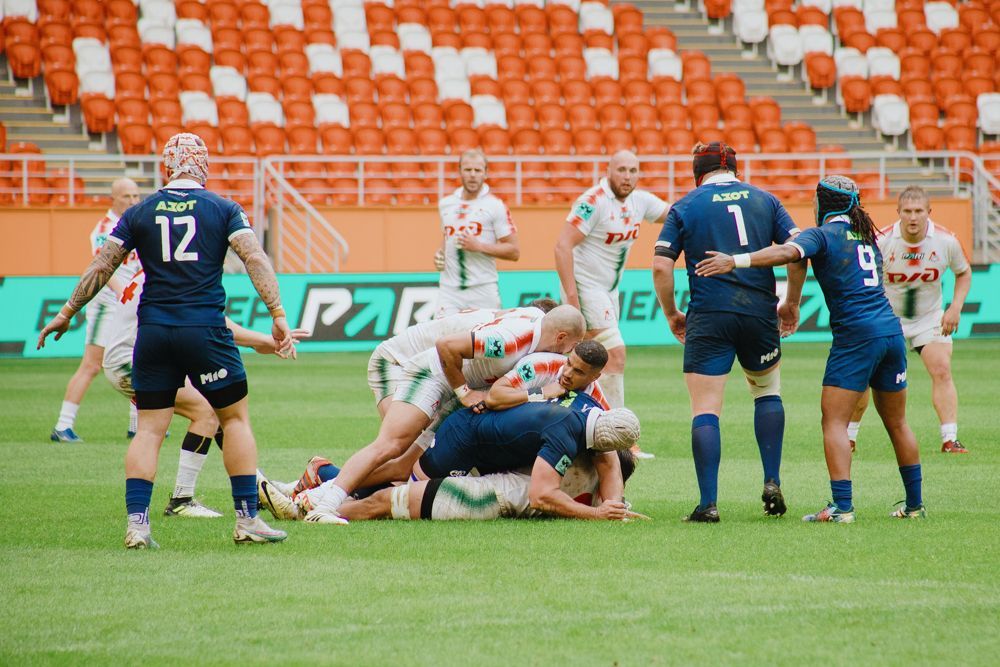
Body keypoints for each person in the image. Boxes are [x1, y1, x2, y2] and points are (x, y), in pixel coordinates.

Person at [38, 132, 293, 548]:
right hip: (205, 329)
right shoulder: (224, 208)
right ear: (203, 165)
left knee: (149, 430)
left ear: (166, 167)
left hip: (153, 331)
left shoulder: (139, 212)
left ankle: (138, 525)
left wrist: (67, 313)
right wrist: (277, 315)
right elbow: (254, 258)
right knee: (234, 419)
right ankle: (247, 519)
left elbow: (102, 265)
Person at [695, 175, 925, 523]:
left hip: (856, 336)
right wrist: (793, 301)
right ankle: (915, 506)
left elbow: (788, 252)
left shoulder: (821, 234)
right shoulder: (866, 236)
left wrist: (735, 261)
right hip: (890, 332)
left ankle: (842, 507)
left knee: (833, 421)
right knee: (898, 422)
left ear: (821, 204)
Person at [259, 339, 614, 517]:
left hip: (487, 441)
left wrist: (615, 499)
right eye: (569, 364)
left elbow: (608, 445)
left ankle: (320, 479)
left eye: (578, 372)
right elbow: (495, 396)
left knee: (402, 473)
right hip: (458, 412)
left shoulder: (595, 397)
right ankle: (323, 486)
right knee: (403, 472)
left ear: (595, 376)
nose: (568, 373)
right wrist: (540, 394)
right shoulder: (542, 366)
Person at [301, 305, 586, 523]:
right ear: (561, 337)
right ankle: (325, 505)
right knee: (393, 445)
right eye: (572, 347)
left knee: (405, 465)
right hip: (432, 375)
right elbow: (446, 346)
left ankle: (316, 494)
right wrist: (464, 392)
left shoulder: (535, 319)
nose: (569, 355)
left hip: (453, 384)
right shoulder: (510, 341)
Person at [652, 142, 800, 523]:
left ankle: (709, 504)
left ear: (697, 173)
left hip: (709, 314)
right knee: (767, 392)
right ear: (735, 169)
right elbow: (798, 253)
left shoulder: (685, 206)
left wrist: (671, 313)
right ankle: (772, 480)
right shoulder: (766, 200)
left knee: (705, 408)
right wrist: (791, 303)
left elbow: (661, 267)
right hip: (759, 312)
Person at [102, 269, 310, 517]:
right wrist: (263, 341)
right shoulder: (181, 274)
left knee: (217, 409)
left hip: (142, 354)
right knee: (205, 412)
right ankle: (182, 500)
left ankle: (254, 486)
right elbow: (214, 322)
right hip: (131, 359)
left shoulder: (161, 267)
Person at [555, 150, 669, 458]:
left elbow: (676, 215)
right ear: (608, 171)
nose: (627, 176)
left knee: (582, 362)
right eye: (621, 170)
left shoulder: (640, 201)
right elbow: (562, 246)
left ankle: (580, 428)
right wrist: (572, 299)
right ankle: (619, 440)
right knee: (615, 355)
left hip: (609, 291)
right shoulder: (593, 202)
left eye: (633, 170)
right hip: (586, 288)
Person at [847, 186, 972, 454]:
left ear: (929, 212)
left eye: (918, 211)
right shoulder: (881, 241)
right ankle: (849, 437)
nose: (913, 217)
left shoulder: (946, 241)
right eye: (907, 211)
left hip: (929, 317)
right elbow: (862, 277)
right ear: (898, 212)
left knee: (942, 369)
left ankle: (950, 439)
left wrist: (955, 307)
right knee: (863, 374)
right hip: (886, 317)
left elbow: (963, 272)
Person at [50, 178, 142, 442]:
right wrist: (123, 293)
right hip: (108, 303)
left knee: (140, 359)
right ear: (113, 199)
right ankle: (63, 425)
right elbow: (104, 267)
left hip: (133, 304)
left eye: (136, 196)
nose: (133, 201)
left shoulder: (137, 224)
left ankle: (137, 425)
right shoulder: (104, 228)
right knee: (91, 365)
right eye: (126, 196)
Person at [433, 149, 520, 318]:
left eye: (478, 170)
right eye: (468, 170)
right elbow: (447, 236)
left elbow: (514, 251)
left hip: (483, 289)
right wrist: (440, 253)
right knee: (442, 333)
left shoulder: (495, 206)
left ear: (485, 173)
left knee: (486, 334)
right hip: (449, 291)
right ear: (459, 171)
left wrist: (479, 246)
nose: (472, 175)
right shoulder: (446, 204)